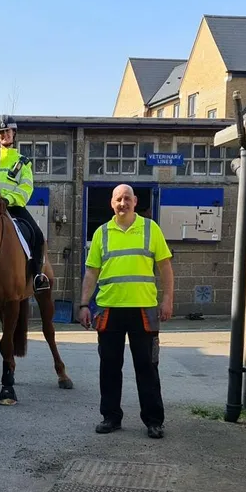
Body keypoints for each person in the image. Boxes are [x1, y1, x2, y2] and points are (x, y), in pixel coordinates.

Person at [78, 184, 174, 439]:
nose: (123, 203)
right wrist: (84, 304)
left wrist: (167, 299)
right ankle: (111, 417)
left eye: (127, 199)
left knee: (147, 367)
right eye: (118, 199)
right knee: (109, 366)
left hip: (144, 310)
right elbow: (91, 272)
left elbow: (165, 266)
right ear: (112, 204)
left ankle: (154, 421)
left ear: (135, 201)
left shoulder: (150, 229)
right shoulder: (102, 233)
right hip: (109, 310)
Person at [0, 114, 50, 293]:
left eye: (7, 131)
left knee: (38, 236)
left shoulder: (22, 162)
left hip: (14, 208)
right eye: (0, 132)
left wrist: (9, 199)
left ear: (13, 133)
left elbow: (26, 188)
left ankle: (37, 276)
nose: (4, 135)